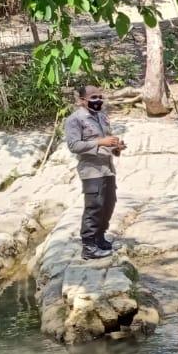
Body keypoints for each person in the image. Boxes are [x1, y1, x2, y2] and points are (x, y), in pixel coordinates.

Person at [64, 84, 126, 260]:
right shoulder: (74, 120)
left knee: (109, 203)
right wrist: (100, 142)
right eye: (93, 98)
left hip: (107, 169)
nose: (98, 101)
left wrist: (116, 147)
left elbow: (107, 142)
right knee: (94, 206)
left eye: (100, 97)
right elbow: (74, 146)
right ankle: (89, 246)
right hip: (91, 171)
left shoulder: (102, 117)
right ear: (82, 100)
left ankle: (100, 238)